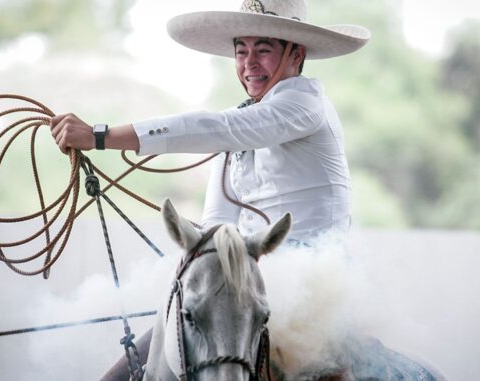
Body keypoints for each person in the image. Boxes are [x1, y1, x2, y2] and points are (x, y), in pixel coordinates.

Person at [50, 0, 370, 379]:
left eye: (263, 50)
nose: (250, 62)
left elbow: (220, 129)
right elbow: (216, 223)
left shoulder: (305, 103)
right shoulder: (240, 126)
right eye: (241, 51)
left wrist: (101, 137)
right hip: (240, 284)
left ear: (296, 53)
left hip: (314, 290)